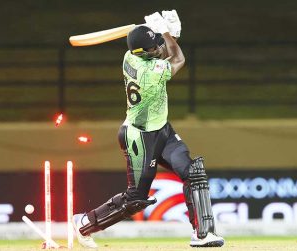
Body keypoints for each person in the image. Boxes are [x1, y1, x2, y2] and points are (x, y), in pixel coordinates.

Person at [72, 10, 224, 248]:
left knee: (193, 173)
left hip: (161, 129)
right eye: (153, 47)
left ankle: (203, 234)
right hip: (140, 137)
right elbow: (177, 59)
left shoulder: (129, 57)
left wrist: (168, 33)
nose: (158, 48)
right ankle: (84, 223)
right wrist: (166, 32)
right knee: (137, 198)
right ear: (143, 52)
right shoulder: (149, 74)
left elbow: (161, 50)